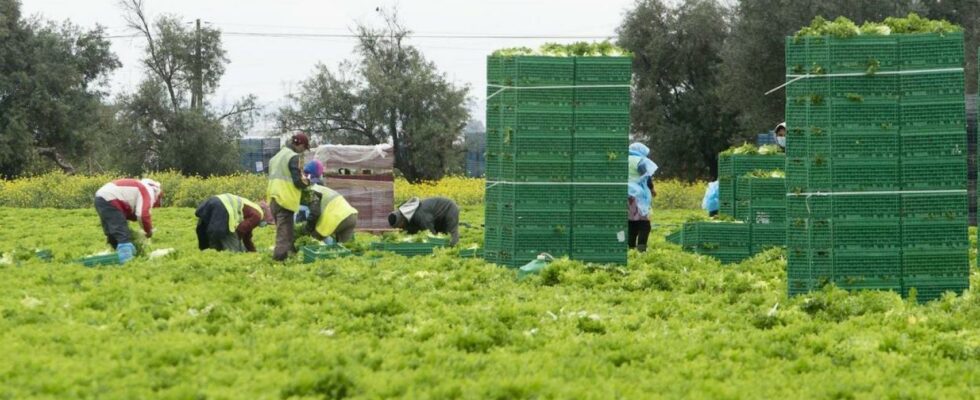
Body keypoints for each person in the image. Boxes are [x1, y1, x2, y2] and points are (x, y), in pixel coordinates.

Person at [93, 178, 163, 263]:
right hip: (111, 198)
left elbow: (132, 210)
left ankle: (117, 257)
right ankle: (127, 261)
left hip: (99, 198)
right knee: (122, 234)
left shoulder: (139, 186)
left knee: (111, 233)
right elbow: (143, 214)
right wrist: (148, 231)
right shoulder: (148, 191)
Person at [268, 133, 312, 261]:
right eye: (304, 148)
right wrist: (308, 181)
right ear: (300, 145)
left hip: (274, 198)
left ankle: (291, 255)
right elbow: (298, 181)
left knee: (286, 230)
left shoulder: (276, 157)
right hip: (285, 199)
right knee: (284, 233)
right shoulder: (293, 157)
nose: (303, 151)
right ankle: (279, 261)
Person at [195, 194, 274, 252]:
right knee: (232, 249)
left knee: (212, 232)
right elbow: (240, 230)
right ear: (266, 216)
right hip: (222, 207)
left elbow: (247, 235)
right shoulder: (258, 216)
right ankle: (215, 253)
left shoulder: (254, 208)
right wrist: (236, 244)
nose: (265, 225)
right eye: (268, 222)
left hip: (214, 200)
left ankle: (211, 253)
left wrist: (252, 251)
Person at [388, 197, 460, 246]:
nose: (399, 227)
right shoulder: (408, 217)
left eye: (399, 225)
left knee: (451, 233)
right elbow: (411, 232)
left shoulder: (420, 216)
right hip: (437, 217)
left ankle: (455, 248)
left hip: (448, 209)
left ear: (402, 220)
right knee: (443, 236)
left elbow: (430, 232)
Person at [628, 142, 657, 252]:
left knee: (631, 222)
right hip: (638, 195)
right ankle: (641, 248)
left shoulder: (624, 160)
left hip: (626, 196)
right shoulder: (639, 161)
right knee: (645, 224)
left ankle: (630, 247)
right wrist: (652, 189)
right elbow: (646, 177)